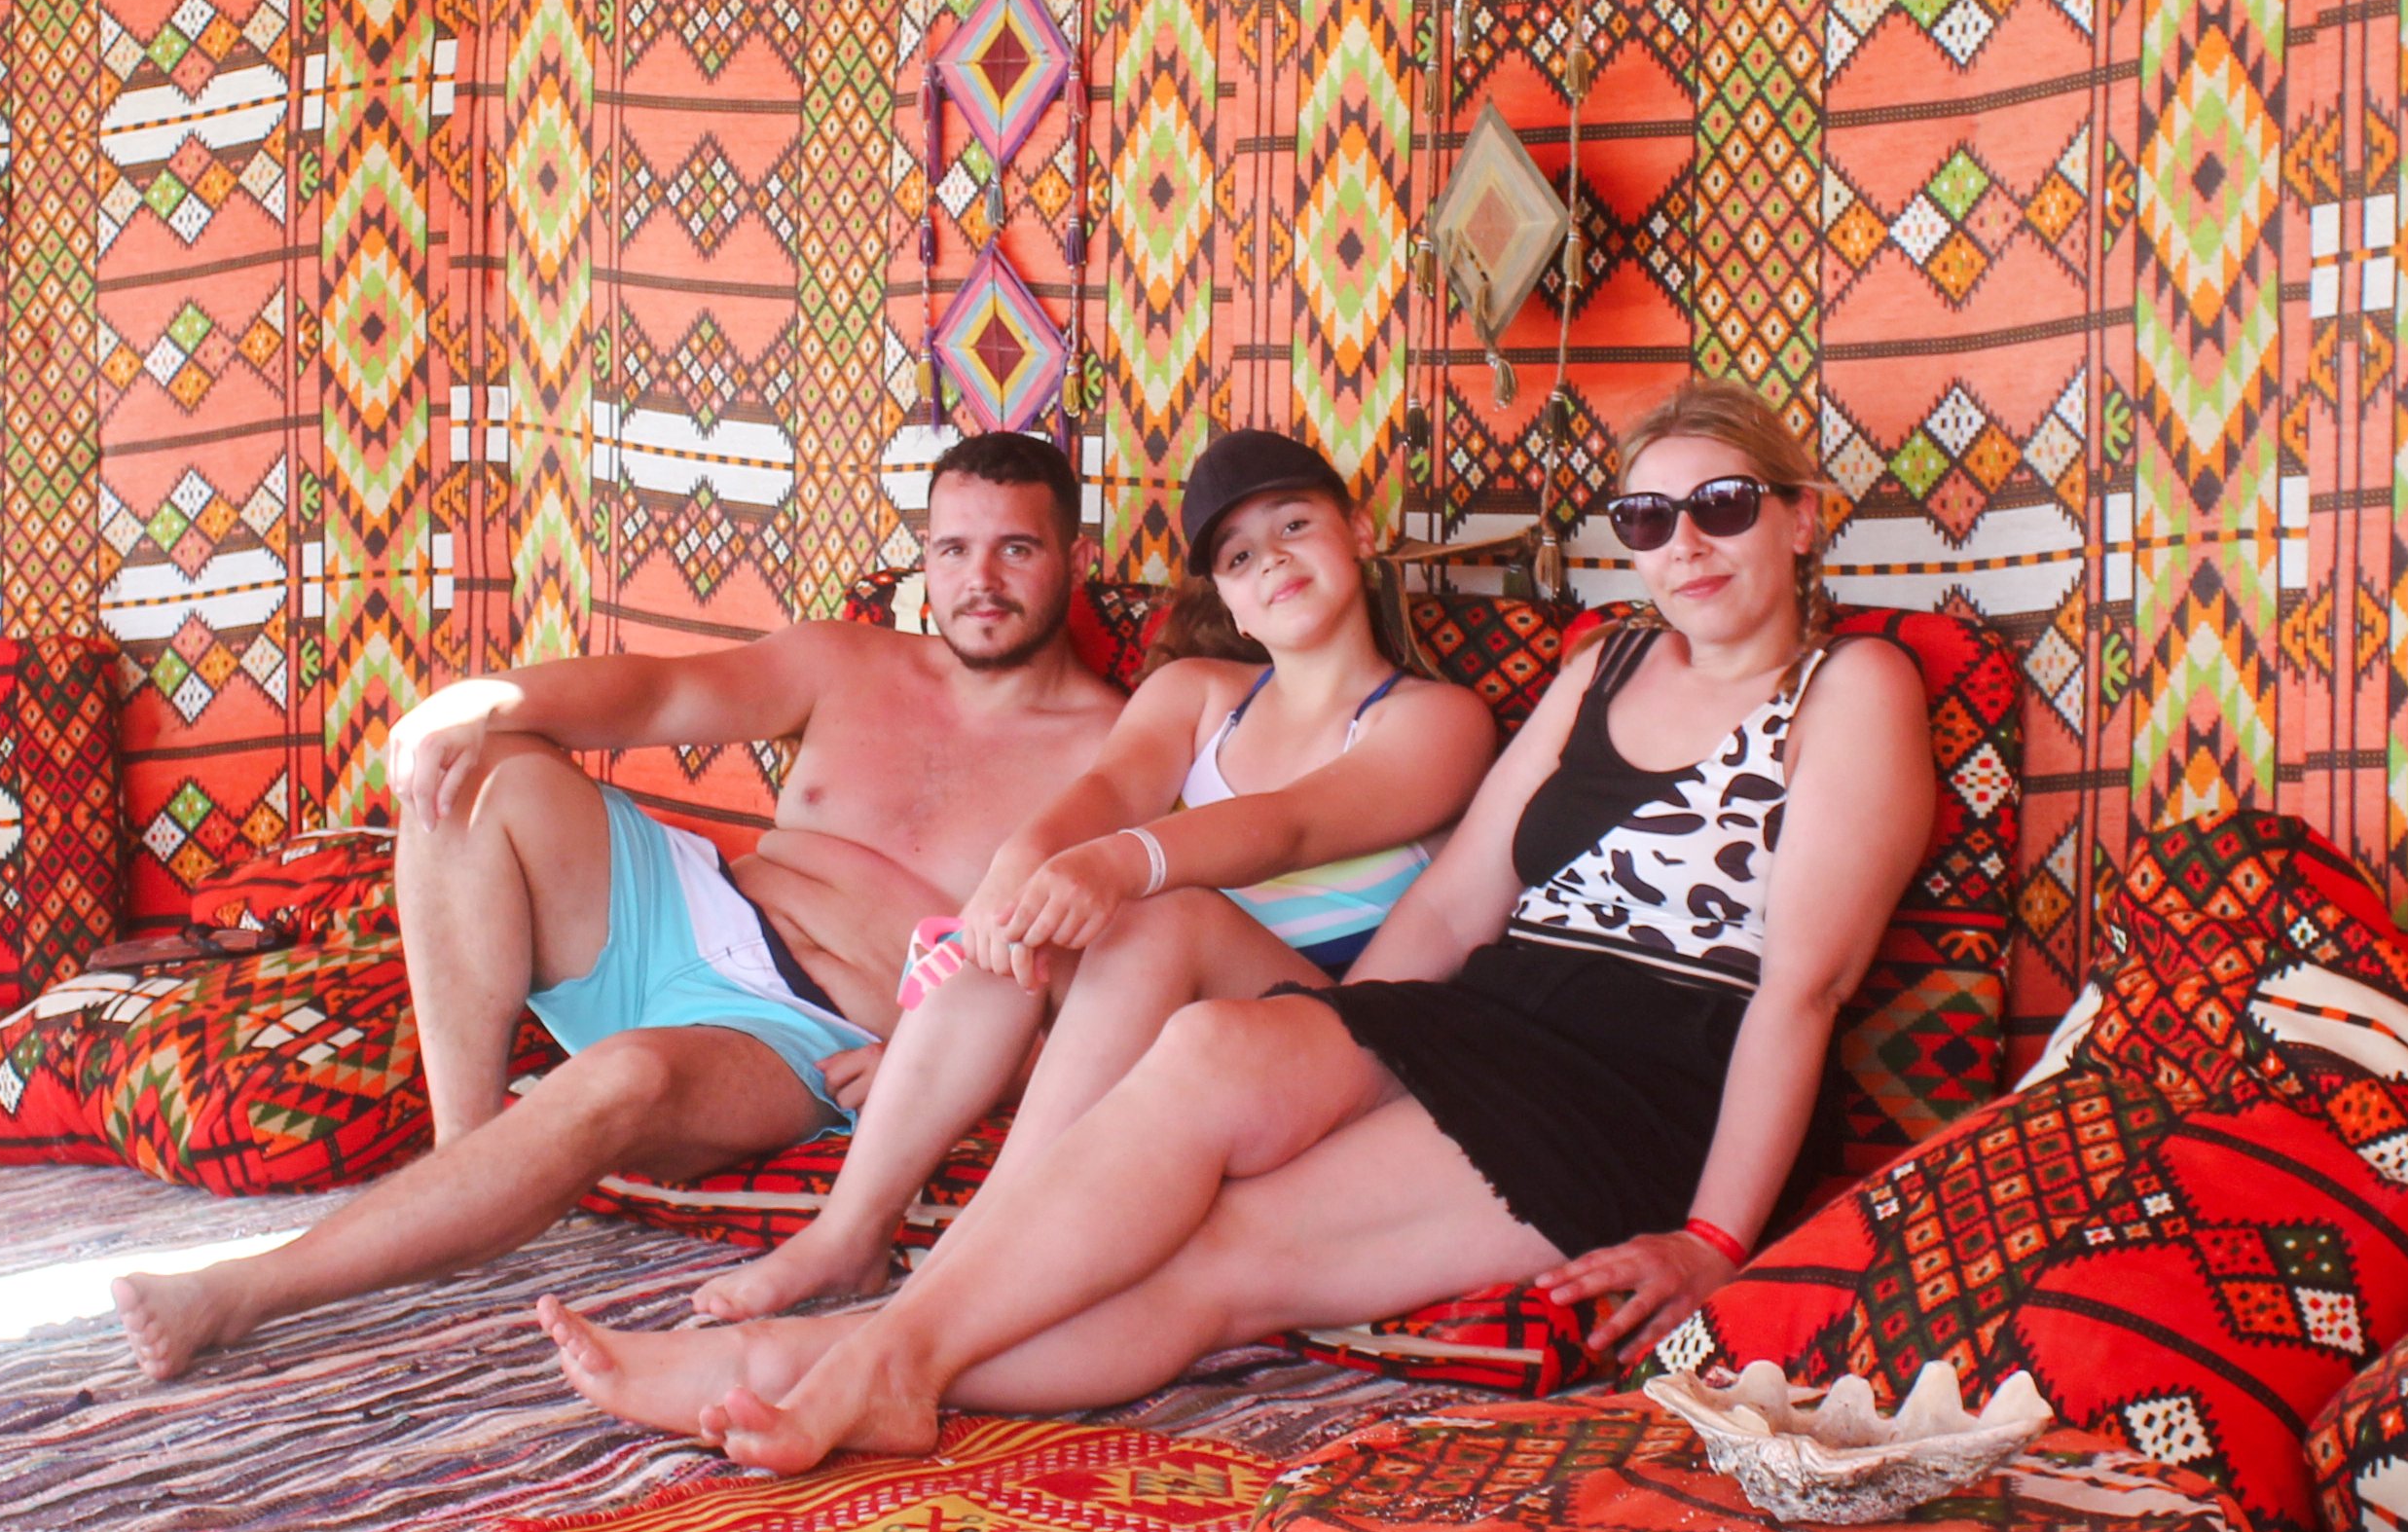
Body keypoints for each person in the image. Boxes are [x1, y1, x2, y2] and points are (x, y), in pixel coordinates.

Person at [545, 377, 1934, 1469]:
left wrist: (1712, 1238)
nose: (1683, 547)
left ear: (1801, 517)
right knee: (1212, 1049)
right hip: (1492, 1011)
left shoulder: (1852, 690)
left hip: (1642, 1072)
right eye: (1647, 520)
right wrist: (1347, 1047)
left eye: (1724, 510)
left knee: (1224, 1257)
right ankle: (883, 1343)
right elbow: (1458, 901)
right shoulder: (1604, 670)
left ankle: (826, 1369)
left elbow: (1795, 991)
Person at [111, 429, 1122, 1379]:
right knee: (475, 773)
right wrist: (480, 701)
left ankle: (243, 1293)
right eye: (953, 550)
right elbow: (656, 695)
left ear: (1071, 557)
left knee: (624, 1076)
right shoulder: (851, 661)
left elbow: (1123, 969)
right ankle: (468, 1154)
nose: (977, 582)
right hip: (682, 911)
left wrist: (970, 1063)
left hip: (798, 1024)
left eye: (1015, 550)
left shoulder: (1119, 748)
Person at [685, 426, 1497, 1325]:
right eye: (1238, 555)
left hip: (1337, 1055)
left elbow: (1290, 825)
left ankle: (972, 1263)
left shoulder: (1436, 719)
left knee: (1161, 917)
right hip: (1179, 1035)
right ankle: (848, 1236)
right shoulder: (1197, 692)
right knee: (1028, 920)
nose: (1271, 561)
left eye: (1295, 525)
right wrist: (1021, 870)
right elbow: (1108, 788)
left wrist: (1119, 865)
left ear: (1360, 533)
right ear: (1227, 597)